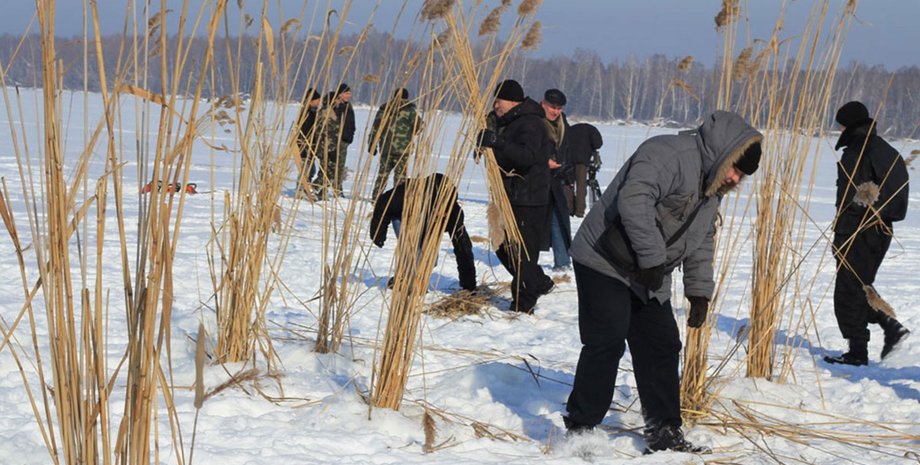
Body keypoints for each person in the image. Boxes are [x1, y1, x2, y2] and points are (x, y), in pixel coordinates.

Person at [563, 111, 763, 454]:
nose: (734, 178)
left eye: (741, 175)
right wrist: (654, 257)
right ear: (723, 153)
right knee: (607, 339)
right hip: (602, 259)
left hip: (646, 272)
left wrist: (699, 291)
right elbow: (634, 200)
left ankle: (664, 431)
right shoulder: (668, 153)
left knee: (662, 345)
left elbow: (701, 239)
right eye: (735, 167)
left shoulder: (712, 187)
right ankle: (582, 427)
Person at [824, 101, 910, 366]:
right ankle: (888, 325)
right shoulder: (871, 149)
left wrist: (867, 219)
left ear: (848, 125)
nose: (839, 129)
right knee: (858, 285)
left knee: (850, 290)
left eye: (841, 124)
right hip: (859, 229)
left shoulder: (869, 151)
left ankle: (858, 351)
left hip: (864, 231)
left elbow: (892, 197)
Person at [475, 79, 555, 313]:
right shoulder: (511, 122)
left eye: (498, 101)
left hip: (528, 198)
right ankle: (537, 283)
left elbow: (526, 157)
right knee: (504, 247)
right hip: (512, 196)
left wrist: (497, 143)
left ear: (510, 101)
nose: (495, 106)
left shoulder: (530, 124)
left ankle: (524, 303)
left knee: (522, 252)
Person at [369, 173, 477, 292]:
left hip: (428, 226)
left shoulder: (453, 213)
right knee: (414, 254)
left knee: (431, 260)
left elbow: (463, 247)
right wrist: (378, 233)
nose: (441, 214)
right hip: (404, 218)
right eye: (439, 211)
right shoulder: (410, 192)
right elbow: (383, 203)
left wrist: (469, 285)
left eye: (444, 214)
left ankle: (402, 279)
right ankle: (409, 285)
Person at [369, 88, 425, 199]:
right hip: (403, 150)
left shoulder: (385, 109)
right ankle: (398, 199)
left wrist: (372, 144)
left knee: (382, 175)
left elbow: (375, 128)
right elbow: (420, 127)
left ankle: (376, 197)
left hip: (386, 148)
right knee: (400, 177)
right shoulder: (409, 111)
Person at [541, 88, 574, 271]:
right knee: (533, 223)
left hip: (557, 179)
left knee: (559, 220)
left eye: (559, 108)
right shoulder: (534, 120)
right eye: (552, 107)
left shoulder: (563, 124)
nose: (555, 111)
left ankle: (562, 262)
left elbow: (567, 150)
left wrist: (568, 175)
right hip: (536, 180)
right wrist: (543, 162)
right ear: (543, 102)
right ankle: (523, 263)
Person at [316, 83, 356, 198]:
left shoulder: (348, 106)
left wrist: (350, 134)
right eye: (347, 93)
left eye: (350, 93)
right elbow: (330, 127)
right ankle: (319, 189)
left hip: (344, 141)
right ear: (340, 94)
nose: (349, 95)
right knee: (329, 167)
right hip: (333, 141)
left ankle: (337, 189)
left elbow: (351, 122)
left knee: (339, 166)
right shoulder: (332, 107)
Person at [566, 123, 604, 216]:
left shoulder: (571, 129)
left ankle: (569, 208)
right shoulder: (592, 130)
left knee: (569, 184)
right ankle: (580, 210)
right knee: (581, 185)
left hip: (568, 158)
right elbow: (598, 144)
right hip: (583, 160)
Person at [295, 88, 322, 196]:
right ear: (311, 101)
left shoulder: (313, 113)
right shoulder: (306, 113)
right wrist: (305, 143)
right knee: (307, 170)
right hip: (305, 145)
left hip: (311, 145)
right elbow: (304, 131)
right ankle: (302, 189)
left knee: (310, 169)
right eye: (317, 100)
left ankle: (304, 188)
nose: (319, 102)